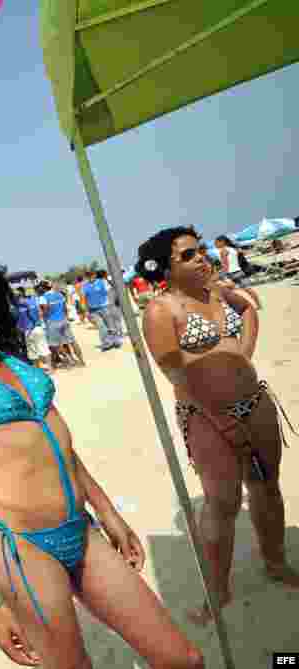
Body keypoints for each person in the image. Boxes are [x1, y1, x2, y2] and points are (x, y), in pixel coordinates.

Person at [0, 253, 202, 668]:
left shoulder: (15, 364)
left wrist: (107, 511)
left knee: (182, 659)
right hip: (21, 546)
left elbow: (61, 447)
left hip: (82, 530)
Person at [137, 226, 299, 625]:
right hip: (204, 415)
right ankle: (218, 589)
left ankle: (275, 562)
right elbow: (176, 375)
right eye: (189, 255)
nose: (202, 258)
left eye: (201, 250)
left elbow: (248, 309)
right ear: (167, 268)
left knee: (266, 484)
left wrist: (243, 353)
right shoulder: (161, 310)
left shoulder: (218, 291)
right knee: (223, 502)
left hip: (255, 402)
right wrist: (219, 418)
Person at [38, 281, 86, 368]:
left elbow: (45, 310)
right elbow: (64, 308)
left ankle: (69, 361)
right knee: (72, 342)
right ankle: (81, 361)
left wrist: (41, 316)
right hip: (63, 320)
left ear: (42, 288)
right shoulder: (59, 294)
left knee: (55, 345)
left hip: (52, 322)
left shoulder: (43, 297)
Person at [82, 270, 123, 350]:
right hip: (93, 310)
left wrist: (113, 302)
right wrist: (86, 310)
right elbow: (83, 298)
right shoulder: (85, 286)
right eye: (88, 276)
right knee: (101, 327)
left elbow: (110, 292)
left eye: (91, 275)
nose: (90, 278)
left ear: (94, 275)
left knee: (110, 325)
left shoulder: (101, 282)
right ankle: (107, 342)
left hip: (104, 307)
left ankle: (116, 340)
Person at [15, 287, 50, 371]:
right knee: (43, 349)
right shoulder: (33, 301)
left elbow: (19, 321)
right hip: (37, 327)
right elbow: (40, 313)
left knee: (33, 352)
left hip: (29, 330)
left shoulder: (19, 306)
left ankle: (38, 369)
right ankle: (50, 368)